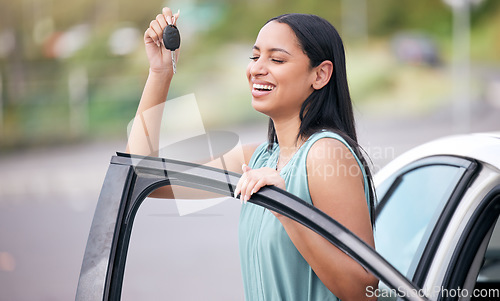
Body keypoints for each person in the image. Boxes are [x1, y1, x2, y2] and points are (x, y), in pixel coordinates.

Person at [126, 7, 378, 301]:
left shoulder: (326, 154)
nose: (257, 68)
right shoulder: (258, 158)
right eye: (255, 56)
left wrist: (287, 209)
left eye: (277, 59)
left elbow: (365, 291)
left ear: (320, 74)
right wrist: (161, 72)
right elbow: (141, 176)